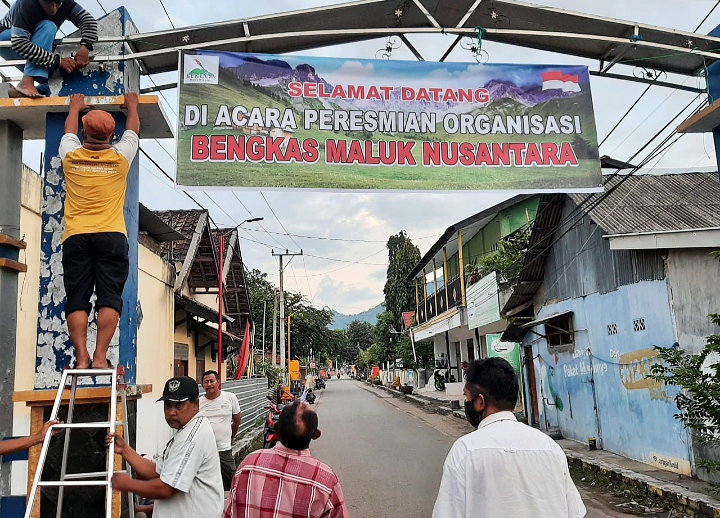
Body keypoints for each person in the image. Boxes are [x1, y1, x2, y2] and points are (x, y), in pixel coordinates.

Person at [432, 357, 586, 518]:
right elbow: (574, 513)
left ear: (480, 402)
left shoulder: (465, 451)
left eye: (467, 398)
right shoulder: (550, 448)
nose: (466, 403)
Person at [60, 92, 140, 369]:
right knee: (109, 296)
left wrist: (75, 107)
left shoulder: (71, 156)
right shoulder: (120, 159)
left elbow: (68, 130)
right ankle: (99, 357)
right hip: (112, 235)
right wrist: (131, 106)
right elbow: (133, 130)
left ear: (84, 132)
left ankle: (81, 357)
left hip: (76, 236)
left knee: (77, 298)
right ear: (112, 135)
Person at [108, 376, 224, 518]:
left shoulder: (192, 437)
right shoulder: (186, 431)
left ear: (196, 405)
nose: (171, 412)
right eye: (167, 405)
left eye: (178, 405)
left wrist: (127, 484)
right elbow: (156, 471)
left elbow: (167, 489)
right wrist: (125, 449)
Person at [223, 400, 349, 518]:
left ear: (277, 429)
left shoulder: (248, 465)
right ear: (316, 435)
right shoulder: (325, 481)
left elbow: (229, 513)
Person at [0, 0, 98, 98]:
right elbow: (19, 43)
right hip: (7, 40)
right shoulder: (26, 4)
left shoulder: (67, 4)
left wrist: (85, 48)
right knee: (49, 26)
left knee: (56, 72)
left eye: (58, 3)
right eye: (49, 4)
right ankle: (26, 82)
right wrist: (58, 60)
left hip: (32, 43)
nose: (54, 8)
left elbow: (89, 21)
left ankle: (37, 90)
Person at [199, 370, 241, 491]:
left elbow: (237, 419)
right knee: (207, 483)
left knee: (230, 481)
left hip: (224, 449)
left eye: (212, 381)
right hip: (205, 451)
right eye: (206, 382)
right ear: (202, 385)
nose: (209, 384)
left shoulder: (230, 398)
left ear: (218, 382)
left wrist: (231, 437)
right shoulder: (198, 403)